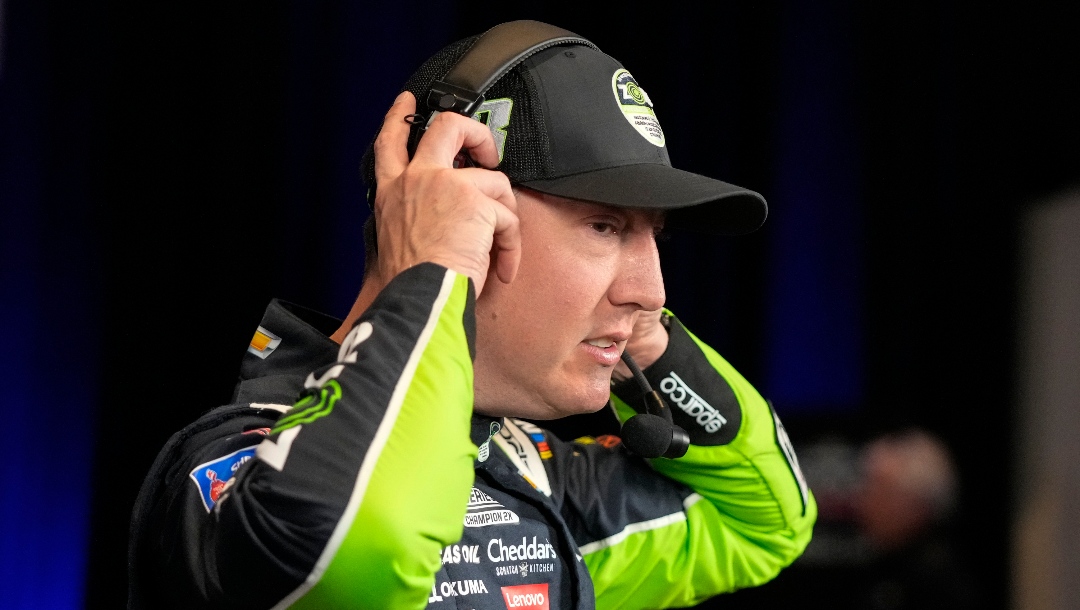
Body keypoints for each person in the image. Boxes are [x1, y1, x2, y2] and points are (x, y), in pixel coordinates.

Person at [127, 20, 816, 609]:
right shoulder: (237, 468)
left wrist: (645, 342)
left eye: (652, 238)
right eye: (605, 226)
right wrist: (433, 270)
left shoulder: (528, 474)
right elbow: (352, 546)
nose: (653, 292)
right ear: (459, 207)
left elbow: (765, 523)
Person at [850, 428, 982, 609]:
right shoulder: (881, 569)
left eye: (880, 491)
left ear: (918, 503)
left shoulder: (940, 588)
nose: (862, 503)